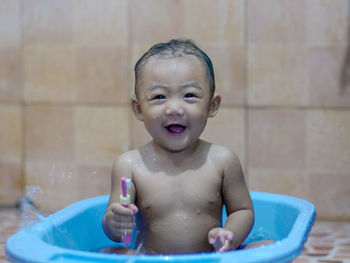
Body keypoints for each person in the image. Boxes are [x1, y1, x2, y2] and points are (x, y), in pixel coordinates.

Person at [102, 39, 270, 254]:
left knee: (270, 250)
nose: (174, 108)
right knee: (108, 253)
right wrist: (115, 223)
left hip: (210, 259)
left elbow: (243, 210)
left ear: (212, 105)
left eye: (189, 95)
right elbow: (116, 231)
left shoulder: (222, 161)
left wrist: (230, 235)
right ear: (138, 109)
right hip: (151, 260)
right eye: (159, 97)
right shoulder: (129, 165)